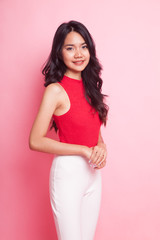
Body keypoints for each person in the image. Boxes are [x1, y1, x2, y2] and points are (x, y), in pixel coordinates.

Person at [29, 20, 109, 240]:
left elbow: (93, 129)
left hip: (93, 173)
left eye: (83, 46)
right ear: (59, 52)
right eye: (70, 48)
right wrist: (84, 150)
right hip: (68, 173)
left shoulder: (91, 86)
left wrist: (100, 145)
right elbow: (35, 140)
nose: (79, 54)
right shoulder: (55, 90)